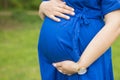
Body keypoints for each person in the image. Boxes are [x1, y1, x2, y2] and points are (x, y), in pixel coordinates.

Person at [38, 0, 120, 80]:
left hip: (86, 60)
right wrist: (43, 6)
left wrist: (80, 65)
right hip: (51, 65)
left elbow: (116, 22)